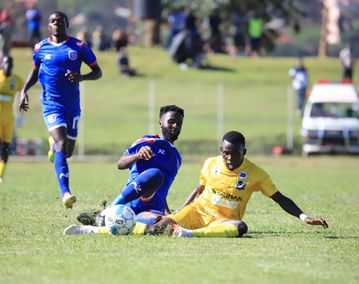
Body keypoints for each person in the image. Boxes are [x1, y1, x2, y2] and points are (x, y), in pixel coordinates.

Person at [145, 131, 328, 238]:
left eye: (235, 153)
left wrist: (305, 217)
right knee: (155, 229)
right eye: (225, 153)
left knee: (241, 227)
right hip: (198, 212)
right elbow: (199, 190)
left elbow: (280, 198)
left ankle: (190, 234)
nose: (229, 158)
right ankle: (124, 224)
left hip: (223, 222)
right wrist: (178, 214)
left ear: (244, 151)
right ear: (220, 151)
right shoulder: (210, 163)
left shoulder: (257, 174)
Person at [19, 11, 102, 208]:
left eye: (60, 21)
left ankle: (53, 146)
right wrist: (23, 91)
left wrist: (81, 77)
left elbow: (97, 72)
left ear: (66, 24)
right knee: (62, 142)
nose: (56, 23)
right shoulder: (40, 47)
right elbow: (35, 71)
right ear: (48, 26)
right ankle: (66, 193)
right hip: (51, 103)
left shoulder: (79, 46)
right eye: (52, 21)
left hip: (72, 105)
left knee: (67, 151)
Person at [63, 105, 184, 235]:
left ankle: (93, 228)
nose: (175, 126)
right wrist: (137, 155)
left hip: (151, 210)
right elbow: (120, 164)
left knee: (157, 227)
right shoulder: (147, 141)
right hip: (129, 204)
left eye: (179, 123)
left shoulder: (177, 158)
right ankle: (109, 211)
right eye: (171, 121)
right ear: (160, 122)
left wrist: (168, 215)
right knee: (156, 175)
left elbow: (161, 190)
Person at [0, 56, 24, 183]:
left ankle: (1, 175)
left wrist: (23, 98)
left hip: (8, 120)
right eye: (5, 63)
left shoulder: (16, 80)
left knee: (5, 147)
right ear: (2, 64)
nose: (7, 65)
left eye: (10, 63)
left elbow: (24, 90)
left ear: (12, 65)